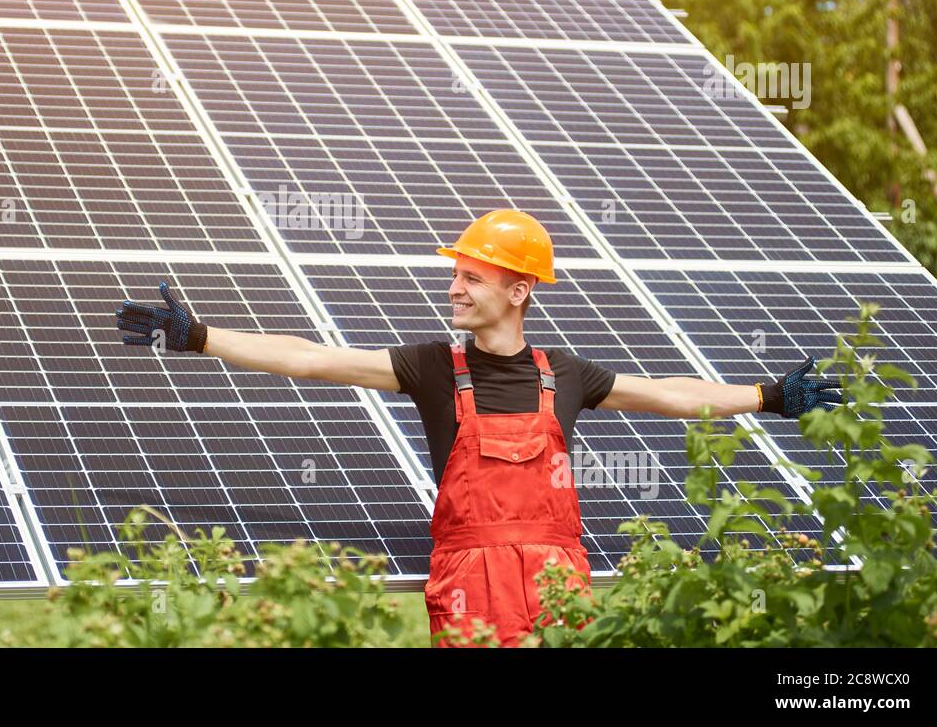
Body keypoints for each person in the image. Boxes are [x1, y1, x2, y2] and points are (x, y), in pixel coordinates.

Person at [115, 208, 841, 647]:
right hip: (470, 589)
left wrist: (769, 394)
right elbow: (309, 358)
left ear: (518, 290)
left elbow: (672, 395)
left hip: (559, 591)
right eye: (455, 273)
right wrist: (201, 335)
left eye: (473, 276)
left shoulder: (568, 376)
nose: (453, 286)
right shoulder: (433, 367)